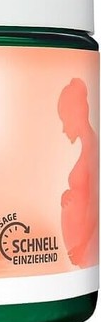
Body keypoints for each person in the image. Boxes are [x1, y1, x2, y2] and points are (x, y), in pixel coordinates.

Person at [58, 78, 98, 268]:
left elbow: (96, 203)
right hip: (84, 253)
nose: (64, 129)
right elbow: (85, 191)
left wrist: (83, 246)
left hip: (89, 249)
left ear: (75, 113)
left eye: (64, 120)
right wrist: (69, 194)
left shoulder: (94, 149)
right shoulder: (88, 148)